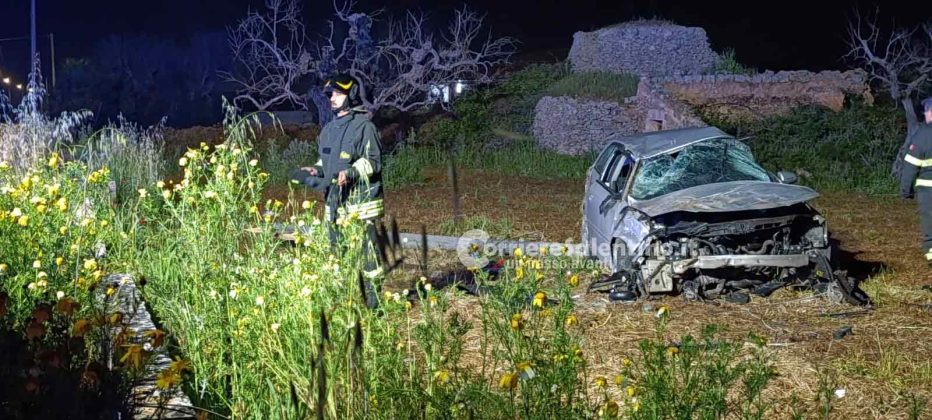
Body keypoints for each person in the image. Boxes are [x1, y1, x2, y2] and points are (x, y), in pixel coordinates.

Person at [291, 74, 384, 306]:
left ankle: (374, 307)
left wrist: (350, 173)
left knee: (368, 259)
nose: (331, 98)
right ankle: (344, 303)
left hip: (361, 206)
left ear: (351, 95)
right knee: (337, 256)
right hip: (335, 205)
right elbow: (326, 164)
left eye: (337, 94)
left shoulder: (365, 127)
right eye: (330, 95)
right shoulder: (329, 130)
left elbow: (374, 162)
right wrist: (313, 171)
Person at [899, 97, 932, 265]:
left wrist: (905, 191)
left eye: (926, 112)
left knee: (930, 229)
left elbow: (911, 166)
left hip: (928, 192)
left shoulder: (923, 134)